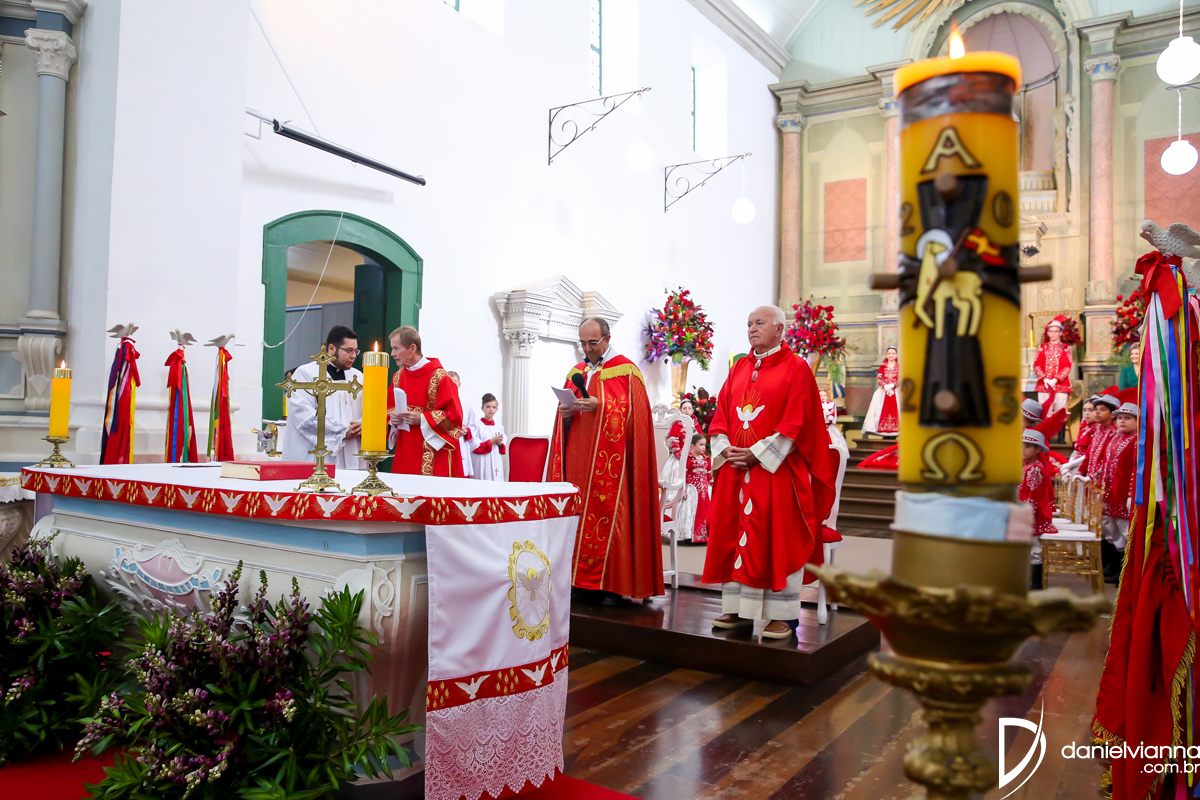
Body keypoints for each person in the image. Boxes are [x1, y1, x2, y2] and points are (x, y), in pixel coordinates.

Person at [702, 306, 837, 640]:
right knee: (734, 536)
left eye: (759, 323)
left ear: (780, 329)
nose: (752, 328)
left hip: (777, 471)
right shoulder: (738, 368)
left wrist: (757, 454)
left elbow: (797, 421)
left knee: (777, 538)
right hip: (736, 469)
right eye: (749, 323)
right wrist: (725, 448)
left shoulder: (797, 368)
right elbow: (721, 414)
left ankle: (782, 615)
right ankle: (738, 609)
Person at [548, 317, 662, 601]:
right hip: (578, 459)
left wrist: (601, 405)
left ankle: (612, 584)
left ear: (607, 339)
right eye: (583, 343)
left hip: (613, 464)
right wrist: (566, 413)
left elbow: (636, 419)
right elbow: (564, 415)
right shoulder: (577, 372)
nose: (588, 349)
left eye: (593, 343)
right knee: (577, 512)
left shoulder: (626, 372)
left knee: (611, 515)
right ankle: (578, 580)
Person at [280, 325, 365, 470]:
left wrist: (363, 425)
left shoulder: (358, 376)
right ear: (331, 348)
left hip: (351, 453)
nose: (353, 356)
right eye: (349, 350)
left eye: (356, 351)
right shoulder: (306, 373)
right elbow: (303, 416)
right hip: (316, 456)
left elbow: (368, 409)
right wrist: (342, 431)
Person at [386, 326, 466, 477]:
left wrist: (423, 419)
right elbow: (388, 408)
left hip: (434, 454)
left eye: (396, 348)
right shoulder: (398, 377)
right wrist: (393, 418)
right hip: (405, 452)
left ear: (412, 348)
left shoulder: (441, 378)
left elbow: (455, 417)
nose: (392, 354)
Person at [1101, 402, 1138, 584]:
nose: (1122, 421)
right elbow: (1106, 465)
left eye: (1127, 418)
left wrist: (1131, 494)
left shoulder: (1136, 441)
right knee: (1112, 529)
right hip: (1111, 494)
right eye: (1120, 418)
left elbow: (1135, 470)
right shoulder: (1115, 438)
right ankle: (1117, 567)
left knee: (1125, 531)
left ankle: (1126, 574)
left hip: (1123, 495)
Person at [1020, 428, 1056, 590]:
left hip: (1033, 515)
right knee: (1029, 547)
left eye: (1027, 446)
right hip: (1029, 513)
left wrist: (1026, 515)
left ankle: (1036, 584)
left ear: (1037, 449)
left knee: (1034, 548)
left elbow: (1033, 497)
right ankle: (1030, 581)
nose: (1023, 449)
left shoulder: (1034, 469)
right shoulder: (1028, 466)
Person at [821, 388, 849, 528]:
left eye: (824, 394)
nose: (822, 396)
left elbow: (832, 416)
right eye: (820, 395)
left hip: (828, 428)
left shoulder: (831, 404)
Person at [1034, 316, 1073, 415]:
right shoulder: (1042, 347)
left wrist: (1055, 380)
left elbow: (1067, 366)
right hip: (1044, 385)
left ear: (1061, 333)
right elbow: (1037, 365)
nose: (1053, 334)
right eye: (1051, 331)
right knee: (1045, 412)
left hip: (1061, 385)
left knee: (1059, 413)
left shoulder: (1066, 348)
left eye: (1056, 331)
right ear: (1048, 333)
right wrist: (1045, 380)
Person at [677, 434, 711, 545]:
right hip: (692, 491)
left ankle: (705, 536)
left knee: (706, 512)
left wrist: (713, 487)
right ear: (692, 446)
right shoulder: (689, 459)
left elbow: (709, 476)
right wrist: (683, 490)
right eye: (701, 445)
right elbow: (684, 475)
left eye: (704, 445)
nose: (703, 447)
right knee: (691, 512)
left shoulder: (707, 459)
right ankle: (690, 535)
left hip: (705, 491)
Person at [862, 346, 899, 437]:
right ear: (887, 354)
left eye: (893, 353)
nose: (891, 355)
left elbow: (901, 379)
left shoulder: (899, 367)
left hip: (896, 391)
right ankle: (883, 431)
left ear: (896, 355)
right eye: (889, 353)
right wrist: (884, 386)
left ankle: (896, 430)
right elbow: (879, 379)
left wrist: (893, 385)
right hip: (884, 391)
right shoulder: (882, 367)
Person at [470, 393, 506, 481]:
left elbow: (503, 448)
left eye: (493, 407)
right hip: (482, 461)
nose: (491, 409)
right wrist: (492, 441)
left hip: (496, 459)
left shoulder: (499, 427)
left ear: (497, 409)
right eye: (488, 406)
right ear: (482, 408)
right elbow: (475, 447)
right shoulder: (476, 426)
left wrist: (500, 444)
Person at [447, 371, 474, 478]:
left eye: (455, 381)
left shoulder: (466, 406)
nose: (452, 384)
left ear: (459, 384)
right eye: (449, 381)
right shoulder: (441, 403)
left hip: (462, 442)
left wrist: (467, 430)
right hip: (447, 442)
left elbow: (474, 426)